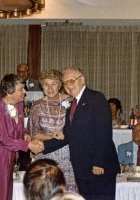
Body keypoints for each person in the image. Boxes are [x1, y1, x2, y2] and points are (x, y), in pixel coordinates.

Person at [43, 67, 120, 200]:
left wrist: (99, 162)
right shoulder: (71, 104)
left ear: (82, 80)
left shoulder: (96, 98)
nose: (69, 85)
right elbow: (68, 134)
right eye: (65, 82)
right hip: (82, 169)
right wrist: (43, 146)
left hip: (98, 169)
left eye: (72, 81)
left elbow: (104, 132)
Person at [0, 74, 44, 200]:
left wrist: (25, 135)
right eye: (20, 89)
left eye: (24, 88)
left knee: (6, 190)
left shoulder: (19, 105)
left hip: (9, 153)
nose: (24, 92)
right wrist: (28, 145)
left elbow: (20, 128)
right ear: (9, 91)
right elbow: (4, 139)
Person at [28, 69, 77, 191]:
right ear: (42, 86)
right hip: (44, 155)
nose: (50, 88)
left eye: (53, 84)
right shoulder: (37, 106)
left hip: (68, 156)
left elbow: (78, 128)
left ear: (60, 85)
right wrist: (52, 137)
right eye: (46, 84)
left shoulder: (71, 101)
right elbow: (34, 134)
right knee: (45, 191)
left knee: (66, 191)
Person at [17, 63, 42, 170]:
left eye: (24, 71)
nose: (22, 74)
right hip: (20, 120)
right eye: (20, 72)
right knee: (23, 146)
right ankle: (23, 168)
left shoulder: (37, 84)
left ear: (28, 72)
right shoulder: (14, 84)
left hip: (36, 120)